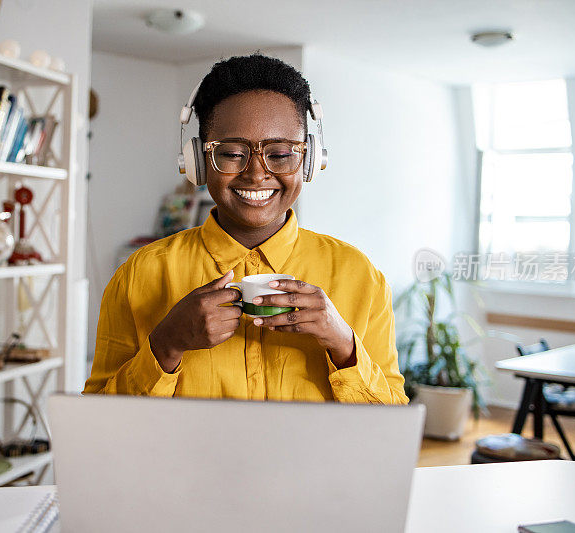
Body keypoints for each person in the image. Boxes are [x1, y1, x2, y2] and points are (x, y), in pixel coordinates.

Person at [84, 54, 407, 404]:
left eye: (281, 153)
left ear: (310, 158)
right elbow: (98, 424)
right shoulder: (139, 274)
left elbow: (390, 428)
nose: (256, 174)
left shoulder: (361, 276)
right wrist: (166, 345)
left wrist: (344, 345)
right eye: (232, 153)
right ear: (197, 161)